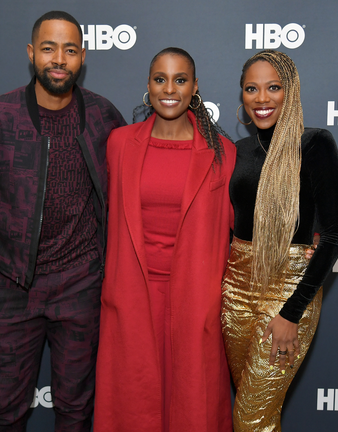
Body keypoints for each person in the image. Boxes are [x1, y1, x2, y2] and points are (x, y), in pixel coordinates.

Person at [0, 11, 126, 432]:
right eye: (49, 48)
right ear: (32, 53)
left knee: (76, 409)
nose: (59, 59)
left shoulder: (105, 118)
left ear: (82, 57)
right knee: (6, 411)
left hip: (81, 287)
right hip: (11, 289)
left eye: (69, 50)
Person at [93, 47, 236, 432]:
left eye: (180, 79)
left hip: (194, 301)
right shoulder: (119, 143)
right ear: (148, 85)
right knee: (131, 404)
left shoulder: (224, 153)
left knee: (193, 405)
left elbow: (247, 230)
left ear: (194, 87)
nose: (169, 88)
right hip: (132, 296)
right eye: (160, 79)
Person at [221, 50, 338, 431]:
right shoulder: (238, 151)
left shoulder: (314, 144)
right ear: (241, 96)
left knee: (249, 420)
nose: (262, 99)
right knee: (257, 409)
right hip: (236, 286)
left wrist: (291, 313)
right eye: (252, 89)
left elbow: (334, 236)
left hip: (288, 289)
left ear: (290, 91)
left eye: (273, 87)